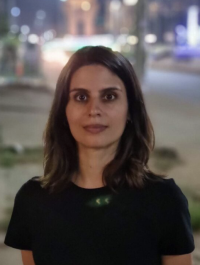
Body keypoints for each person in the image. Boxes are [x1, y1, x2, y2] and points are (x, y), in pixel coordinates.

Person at [4, 46, 195, 265]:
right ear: (63, 111)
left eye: (109, 96)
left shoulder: (164, 201)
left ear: (130, 110)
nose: (94, 109)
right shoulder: (33, 201)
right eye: (81, 96)